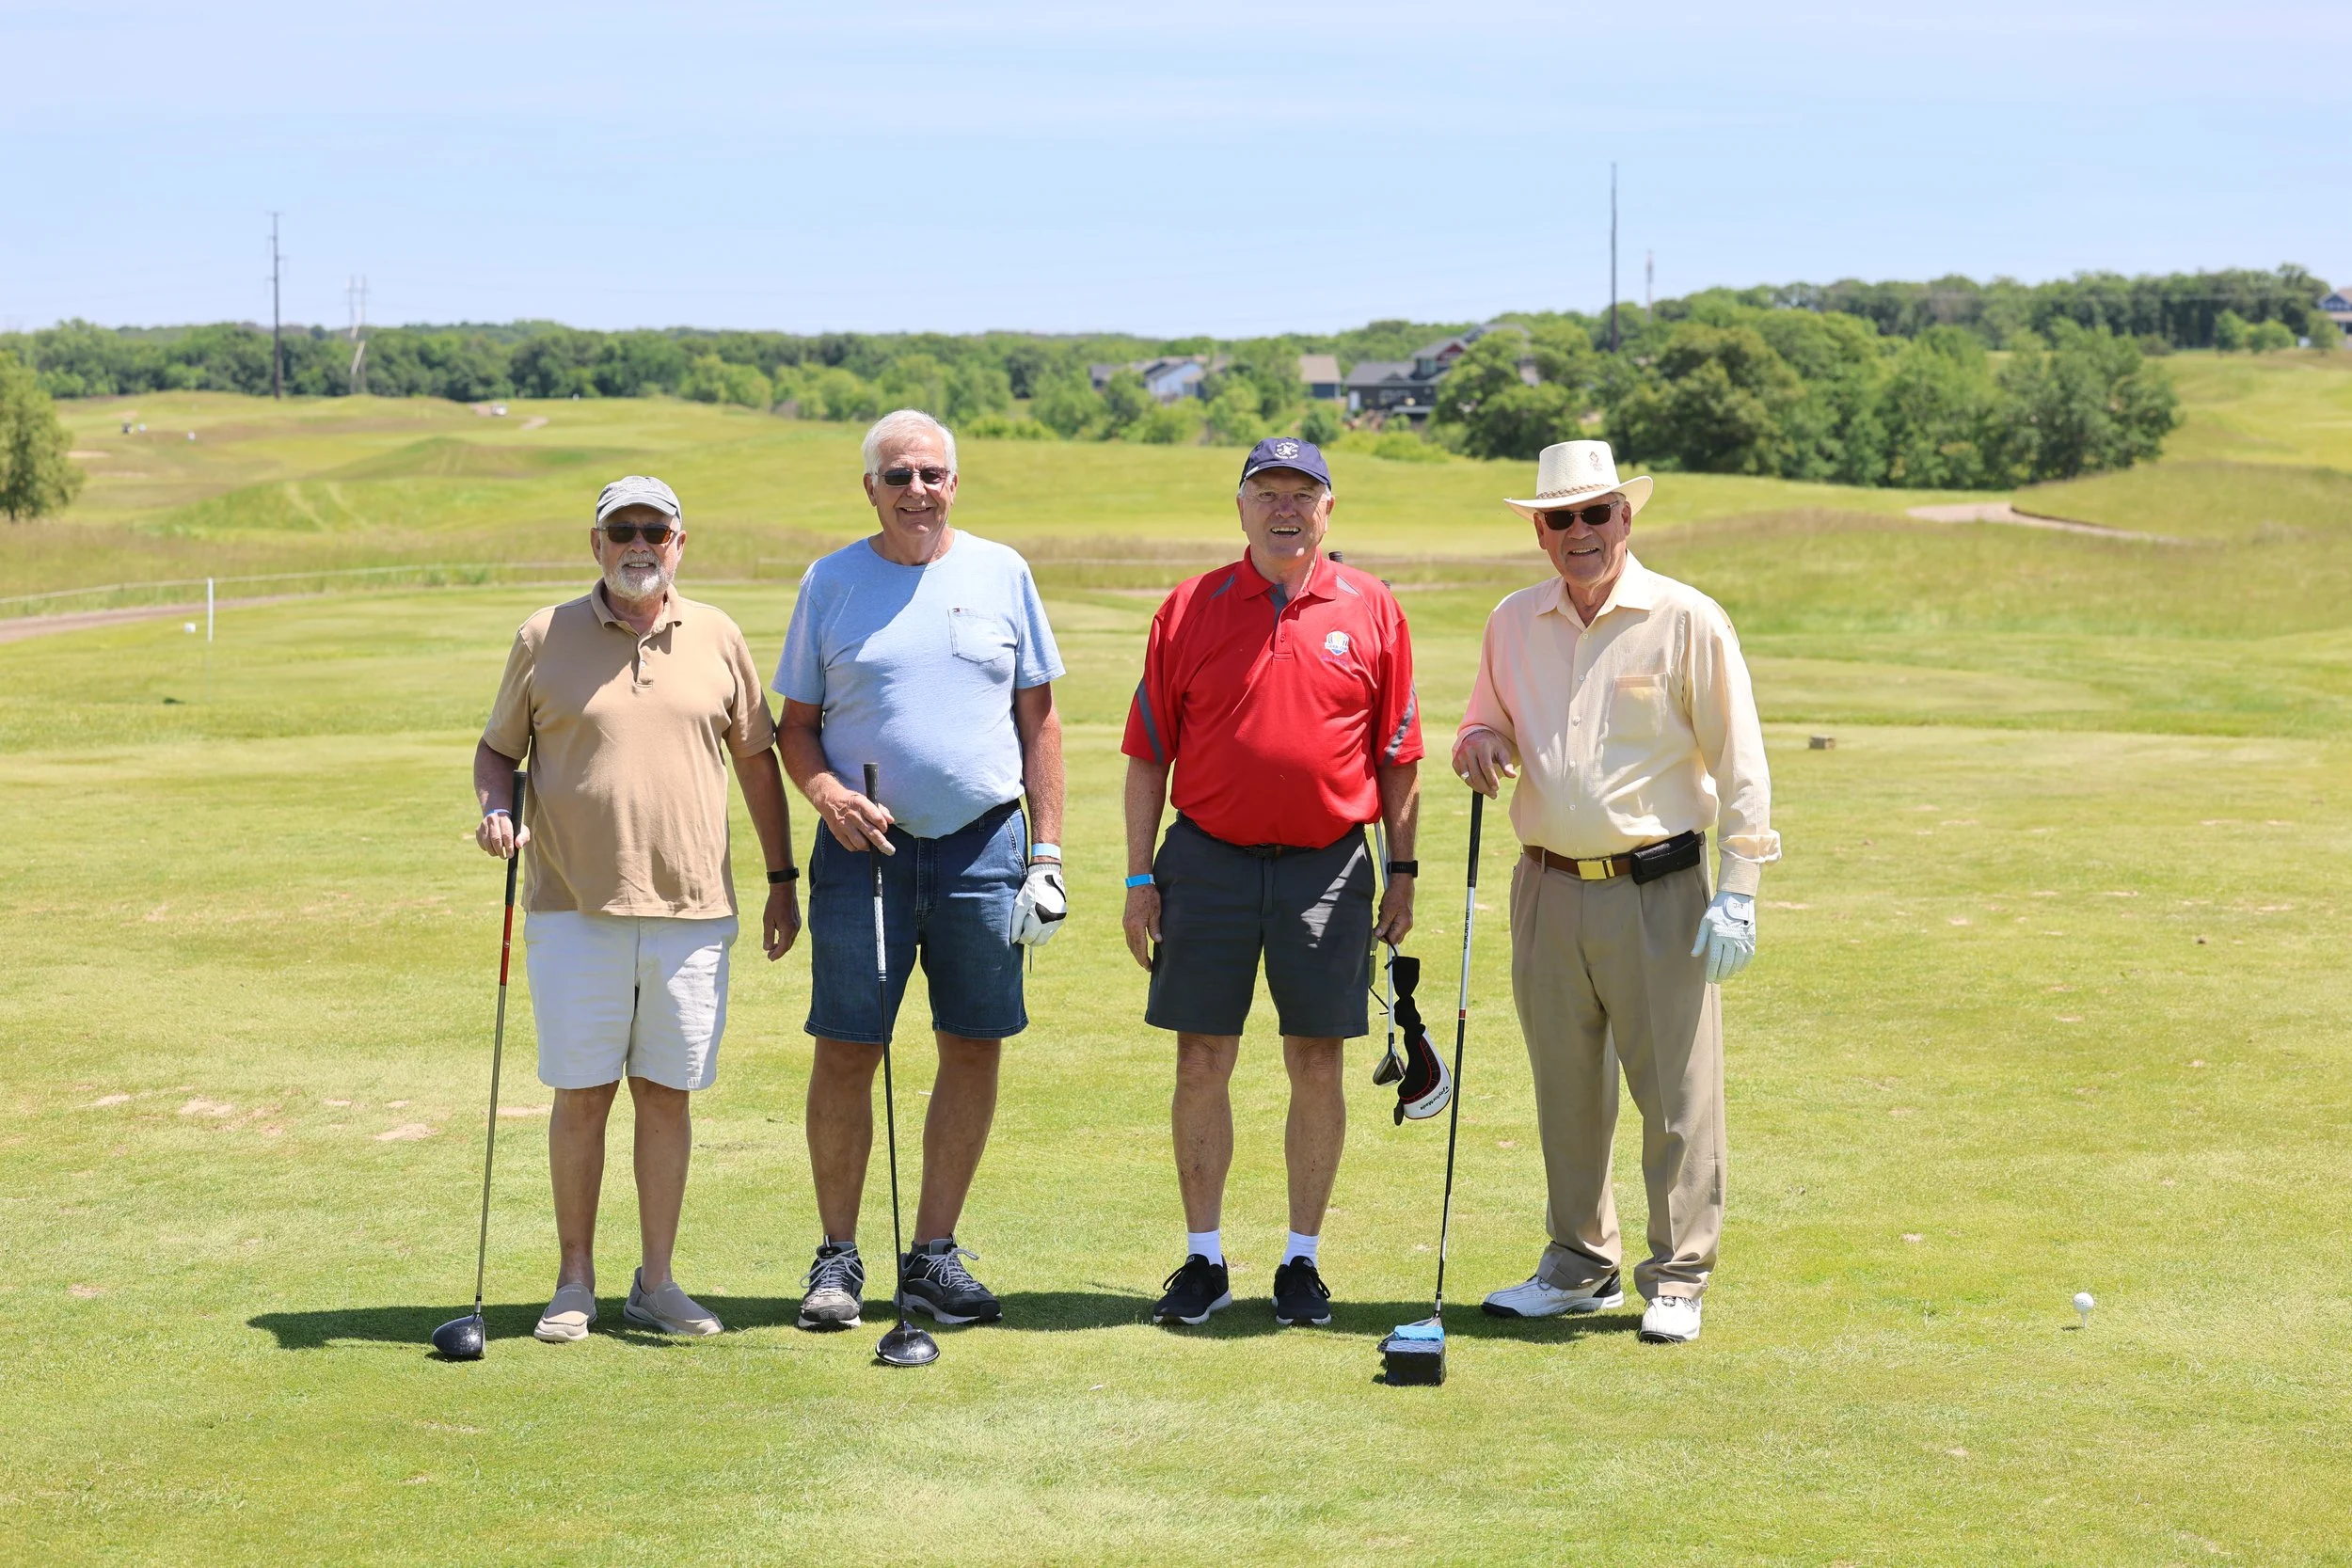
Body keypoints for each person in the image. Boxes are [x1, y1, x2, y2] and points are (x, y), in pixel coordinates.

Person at [1454, 439, 1779, 1346]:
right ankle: (1578, 1263)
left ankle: (1677, 1276)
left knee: (1676, 1095)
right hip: (1546, 887)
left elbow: (1741, 763)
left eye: (1596, 512)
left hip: (1658, 887)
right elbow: (1482, 720)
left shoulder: (1687, 617)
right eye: (1560, 517)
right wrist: (1479, 742)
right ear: (1540, 532)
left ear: (1625, 517)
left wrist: (1741, 886)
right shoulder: (1512, 621)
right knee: (1566, 1092)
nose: (1580, 531)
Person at [475, 474, 802, 1343]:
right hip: (572, 905)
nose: (639, 545)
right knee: (582, 1094)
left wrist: (782, 877)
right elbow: (497, 750)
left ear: (679, 544)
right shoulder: (543, 635)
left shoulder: (719, 635)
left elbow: (757, 762)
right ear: (596, 543)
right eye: (621, 530)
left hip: (692, 910)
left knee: (666, 1093)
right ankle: (573, 1280)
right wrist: (496, 807)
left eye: (655, 530)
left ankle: (656, 1282)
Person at [775, 409, 1067, 1332]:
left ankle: (934, 1254)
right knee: (848, 1045)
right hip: (863, 851)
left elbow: (1039, 722)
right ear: (870, 487)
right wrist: (826, 793)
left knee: (973, 1041)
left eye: (931, 474)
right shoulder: (830, 581)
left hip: (986, 846)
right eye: (897, 475)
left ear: (954, 483)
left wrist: (1048, 853)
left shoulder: (1002, 571)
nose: (916, 490)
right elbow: (795, 727)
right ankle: (837, 1255)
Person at [1121, 437, 1422, 1328]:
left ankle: (1302, 1261)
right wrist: (1138, 875)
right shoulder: (1189, 607)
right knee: (1201, 1055)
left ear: (1328, 509)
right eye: (1267, 493)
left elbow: (1398, 756)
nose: (1284, 509)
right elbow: (1148, 754)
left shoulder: (1371, 607)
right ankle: (1204, 1257)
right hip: (1205, 860)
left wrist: (1403, 871)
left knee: (1316, 1057)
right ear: (1241, 507)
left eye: (1302, 494)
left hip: (1329, 864)